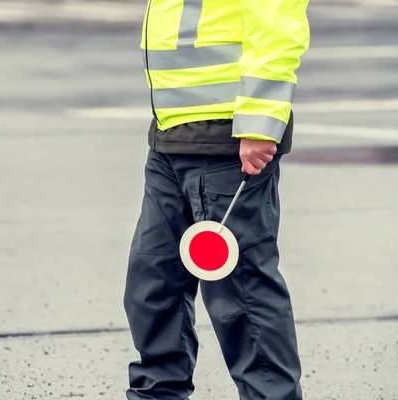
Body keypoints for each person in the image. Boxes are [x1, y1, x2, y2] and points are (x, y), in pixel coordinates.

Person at [123, 1, 310, 399]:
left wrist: (260, 120)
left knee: (242, 296)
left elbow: (275, 18)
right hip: (171, 136)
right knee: (152, 284)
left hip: (227, 137)